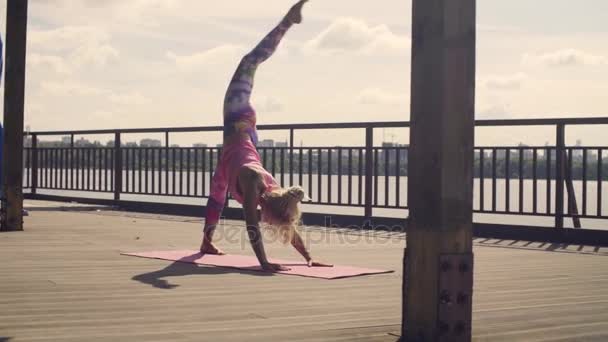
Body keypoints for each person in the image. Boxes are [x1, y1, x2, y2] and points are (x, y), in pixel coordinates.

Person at [200, 0, 331, 272]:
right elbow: (251, 225)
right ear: (268, 209)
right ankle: (287, 21)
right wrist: (264, 262)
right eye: (270, 219)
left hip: (240, 147)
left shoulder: (272, 195)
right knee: (248, 62)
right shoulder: (253, 182)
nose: (268, 223)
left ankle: (206, 242)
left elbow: (286, 224)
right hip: (239, 122)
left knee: (218, 192)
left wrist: (307, 257)